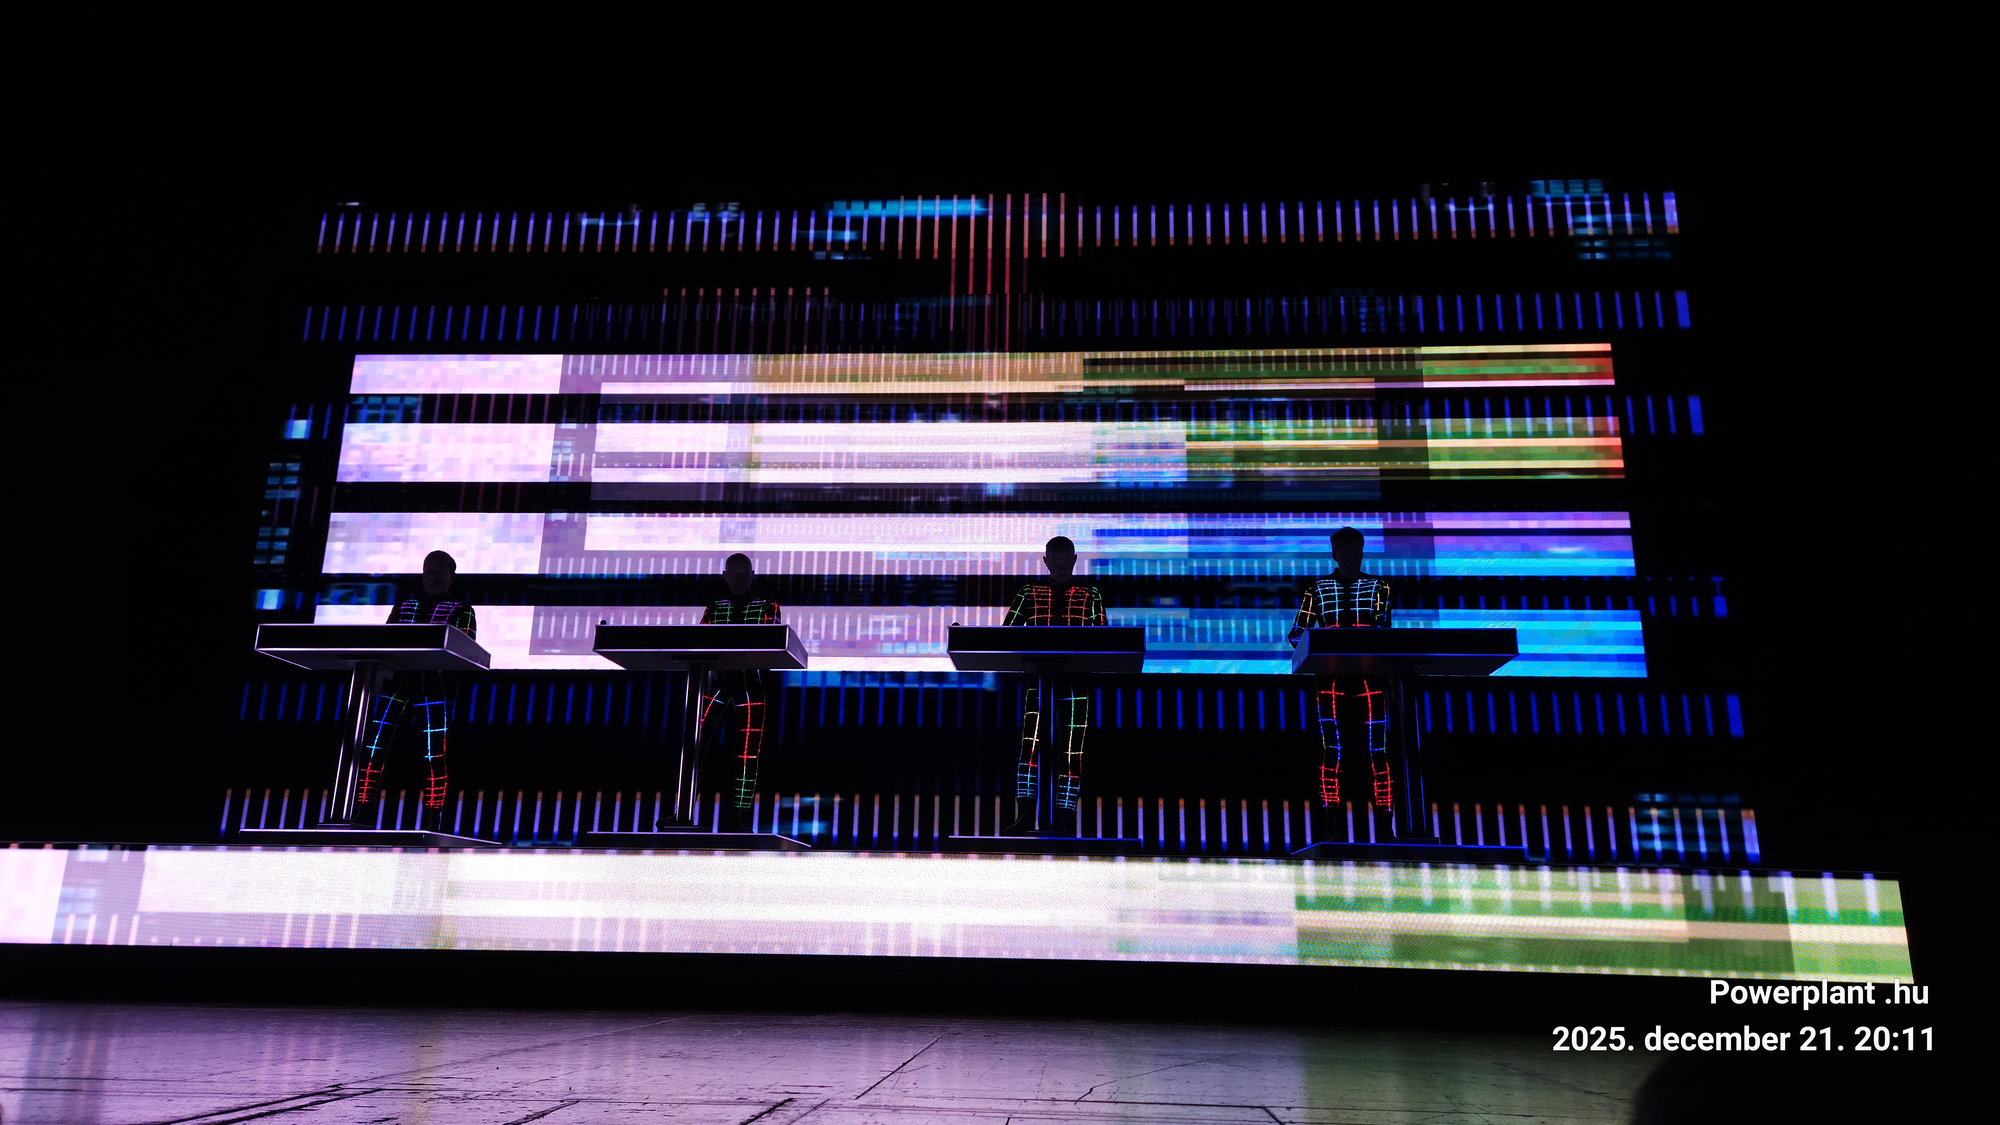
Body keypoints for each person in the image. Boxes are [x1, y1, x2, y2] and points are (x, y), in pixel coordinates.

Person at [1288, 527, 1395, 836]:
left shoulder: (1378, 587)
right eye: (1346, 553)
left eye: (1355, 553)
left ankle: (1383, 828)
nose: (1351, 558)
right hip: (1332, 680)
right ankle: (1333, 825)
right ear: (1335, 554)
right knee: (1333, 751)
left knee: (1376, 752)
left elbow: (1386, 633)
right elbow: (1297, 633)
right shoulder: (1318, 589)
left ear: (1361, 553)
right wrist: (1323, 645)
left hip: (1367, 679)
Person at [360, 550, 476, 831]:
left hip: (436, 690)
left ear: (451, 577)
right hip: (397, 685)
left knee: (434, 755)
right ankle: (361, 812)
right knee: (374, 748)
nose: (432, 575)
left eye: (438, 571)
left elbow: (465, 650)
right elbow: (384, 641)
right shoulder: (404, 605)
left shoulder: (462, 609)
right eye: (428, 570)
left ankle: (433, 820)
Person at [1003, 536, 1107, 835]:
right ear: (1046, 561)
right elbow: (1006, 634)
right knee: (1030, 748)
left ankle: (1064, 819)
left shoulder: (1090, 594)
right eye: (1056, 562)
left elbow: (1104, 638)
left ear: (1074, 561)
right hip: (1039, 682)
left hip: (1077, 682)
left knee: (1072, 753)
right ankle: (1026, 815)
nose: (1061, 568)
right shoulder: (1029, 592)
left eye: (1066, 562)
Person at [690, 553, 780, 832]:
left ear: (752, 575)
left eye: (744, 573)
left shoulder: (767, 605)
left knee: (747, 757)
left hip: (753, 686)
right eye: (735, 573)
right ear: (725, 576)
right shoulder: (715, 607)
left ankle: (740, 819)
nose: (739, 578)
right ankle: (684, 811)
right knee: (694, 748)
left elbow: (771, 638)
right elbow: (698, 641)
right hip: (717, 684)